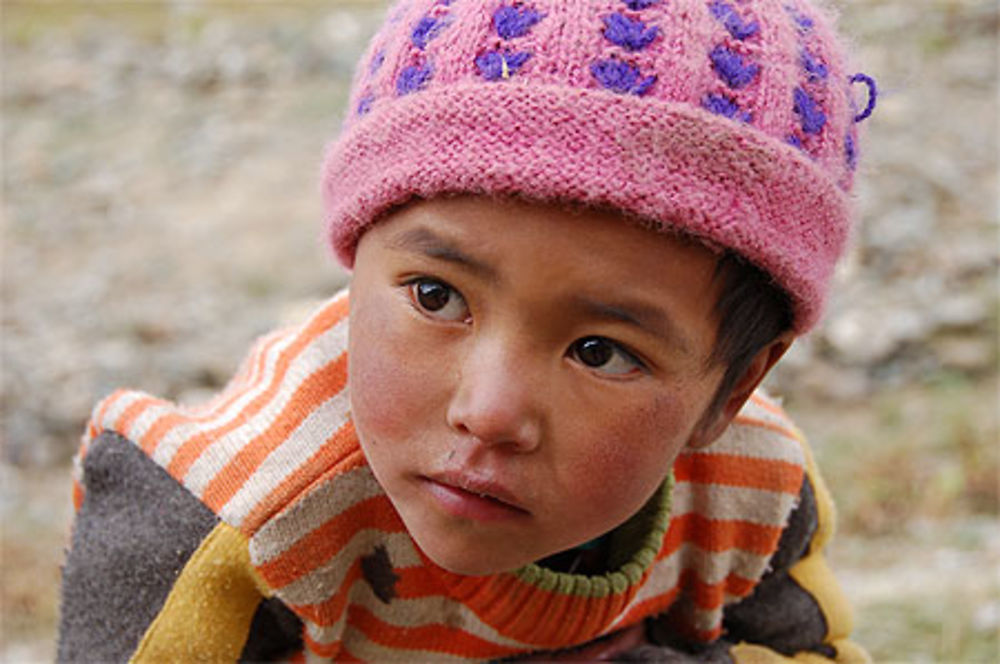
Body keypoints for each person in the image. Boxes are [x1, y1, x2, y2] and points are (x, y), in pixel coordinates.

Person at [57, 0, 878, 661]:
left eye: (601, 352)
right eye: (437, 297)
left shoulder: (752, 488)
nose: (488, 412)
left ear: (731, 389)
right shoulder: (232, 512)